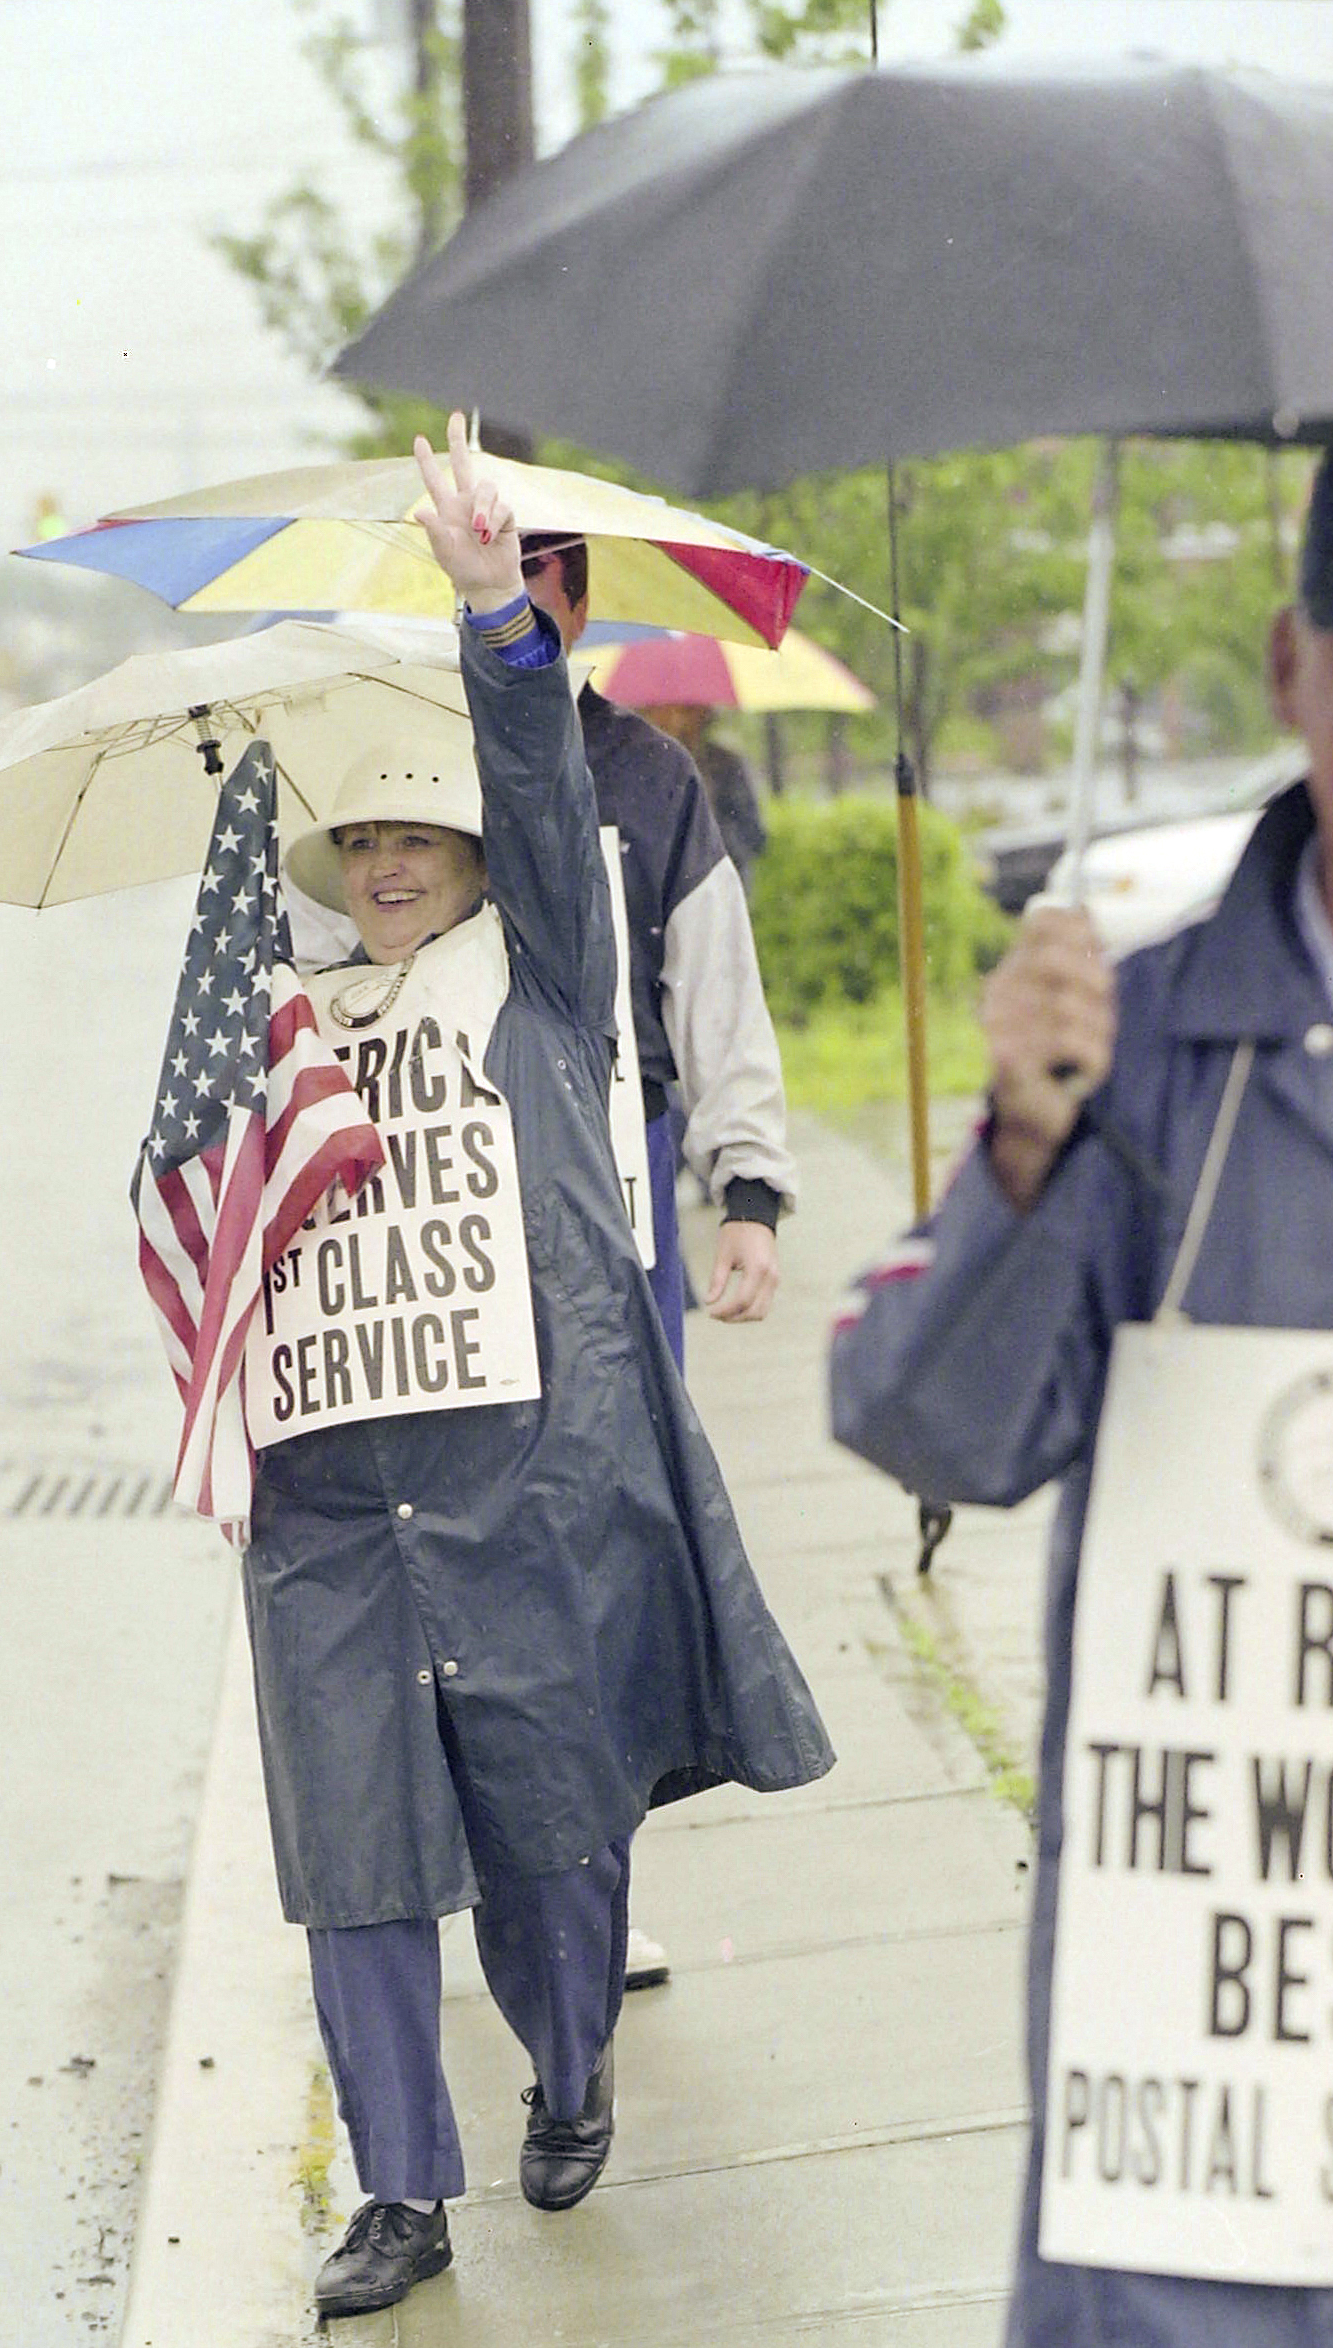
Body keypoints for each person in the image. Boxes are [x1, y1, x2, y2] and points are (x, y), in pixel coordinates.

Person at [828, 427, 1333, 2348]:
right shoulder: (1131, 1055)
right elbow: (926, 1422)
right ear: (1290, 664)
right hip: (1213, 2041)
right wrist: (1018, 1156)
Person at [244, 416, 833, 2320]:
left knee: (548, 1821)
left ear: (478, 851)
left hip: (518, 1472)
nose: (387, 866)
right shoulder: (290, 1013)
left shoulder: (548, 971)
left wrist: (498, 614)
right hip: (336, 1500)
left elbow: (531, 761)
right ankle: (398, 2192)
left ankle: (568, 2066)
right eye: (362, 842)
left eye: (416, 836)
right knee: (352, 1849)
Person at [522, 538, 797, 1989]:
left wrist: (745, 1191)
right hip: (450, 1218)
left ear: (576, 597)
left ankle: (598, 1890)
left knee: (616, 1551)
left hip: (620, 1198)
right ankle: (501, 1885)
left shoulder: (648, 778)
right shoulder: (392, 775)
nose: (492, 604)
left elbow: (716, 994)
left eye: (521, 577)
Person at [635, 698, 769, 897]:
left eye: (686, 711)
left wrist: (704, 810)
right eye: (664, 709)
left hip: (717, 890)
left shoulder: (727, 764)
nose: (676, 719)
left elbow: (753, 836)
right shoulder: (638, 766)